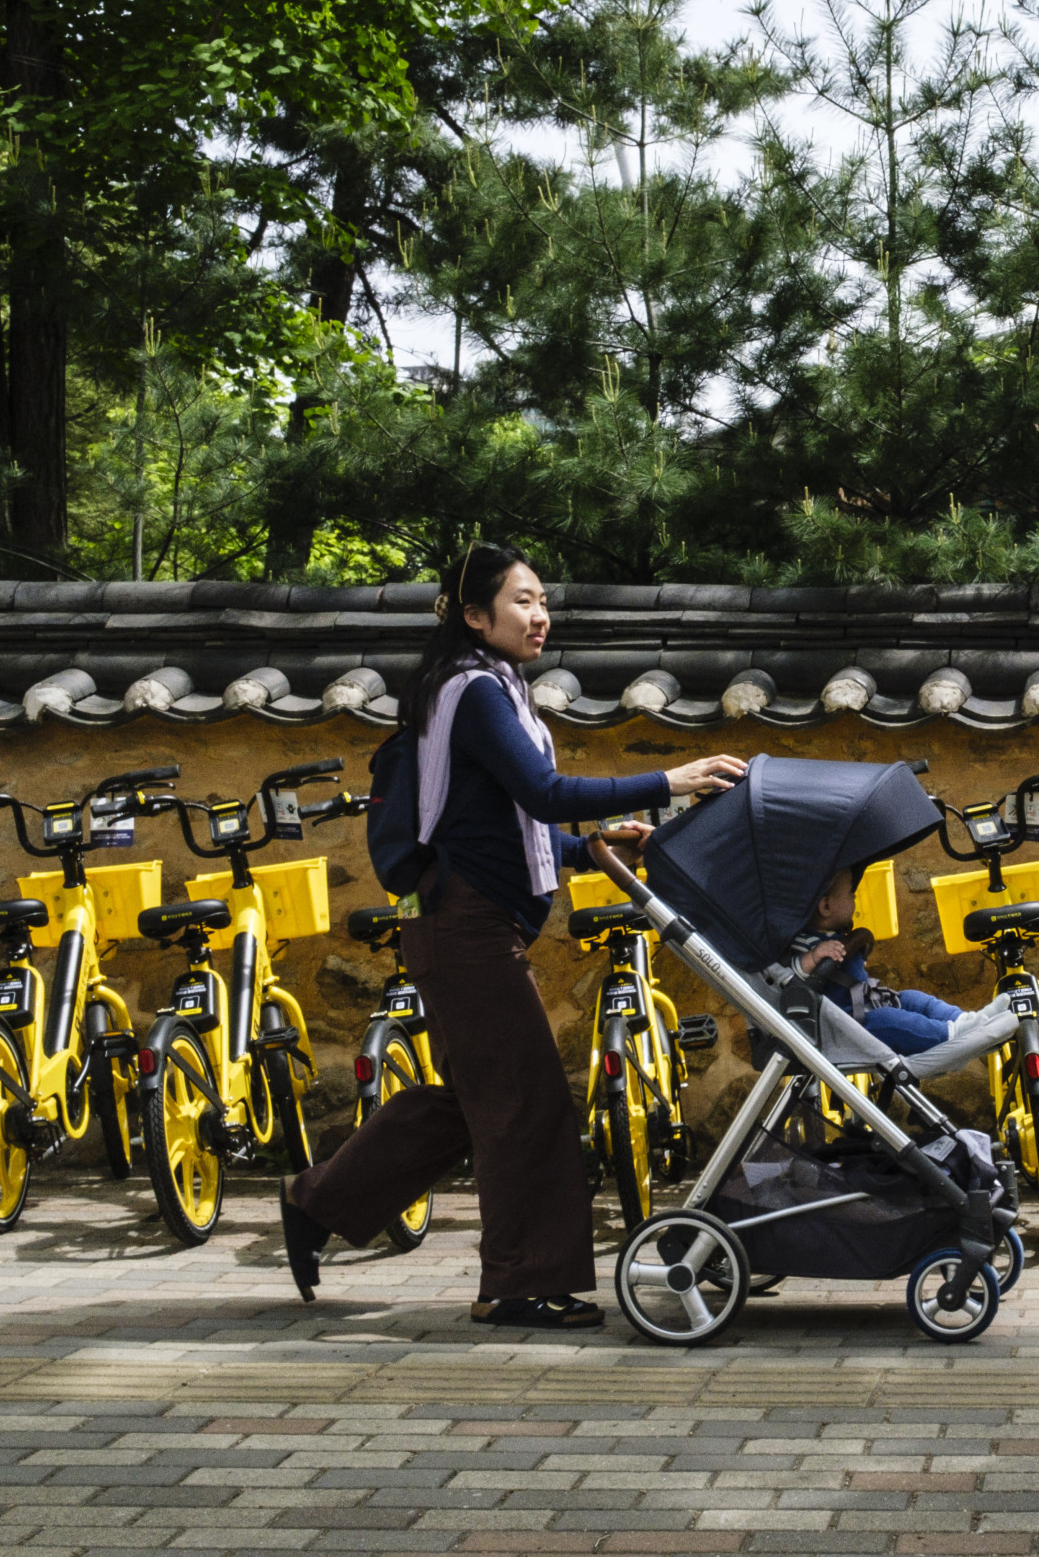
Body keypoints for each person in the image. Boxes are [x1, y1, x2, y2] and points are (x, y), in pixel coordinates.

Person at [278, 543, 748, 1329]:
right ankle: (518, 1285)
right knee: (527, 1105)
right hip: (465, 927)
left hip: (468, 919)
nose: (539, 614)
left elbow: (497, 825)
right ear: (473, 615)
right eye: (521, 601)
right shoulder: (473, 691)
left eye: (541, 600)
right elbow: (542, 792)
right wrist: (671, 779)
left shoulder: (491, 687)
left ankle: (317, 1198)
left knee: (476, 1103)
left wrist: (591, 844)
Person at [770, 869, 1016, 1057]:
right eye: (851, 895)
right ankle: (952, 1035)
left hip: (866, 1002)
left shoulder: (837, 934)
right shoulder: (804, 942)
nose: (855, 900)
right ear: (826, 905)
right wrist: (813, 958)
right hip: (846, 1024)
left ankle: (968, 1020)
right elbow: (791, 978)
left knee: (914, 999)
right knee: (893, 1022)